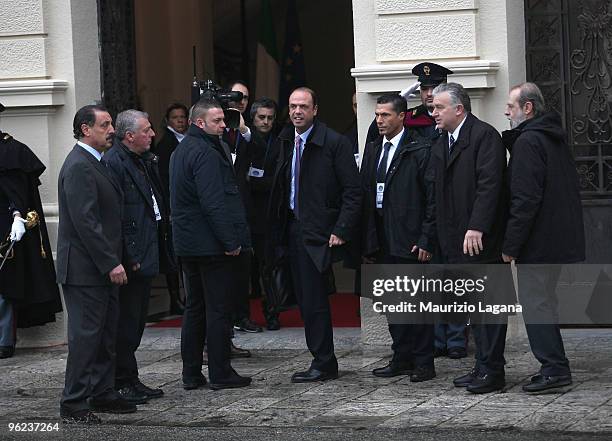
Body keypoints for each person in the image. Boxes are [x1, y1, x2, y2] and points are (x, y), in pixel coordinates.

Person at [267, 87, 361, 382]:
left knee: (314, 300)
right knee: (303, 300)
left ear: (315, 110)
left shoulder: (333, 142)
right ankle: (320, 358)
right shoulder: (285, 140)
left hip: (319, 232)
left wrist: (341, 229)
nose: (297, 111)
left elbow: (353, 191)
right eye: (293, 106)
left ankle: (324, 362)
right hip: (291, 229)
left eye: (303, 106)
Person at [502, 82, 585, 392]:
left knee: (537, 306)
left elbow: (525, 199)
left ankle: (553, 368)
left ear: (528, 108)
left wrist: (511, 246)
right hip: (555, 238)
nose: (506, 111)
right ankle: (555, 365)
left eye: (511, 106)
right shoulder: (552, 137)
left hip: (538, 242)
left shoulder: (529, 142)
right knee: (545, 304)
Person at [430, 83, 509, 394]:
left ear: (459, 108)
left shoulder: (484, 135)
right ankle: (482, 367)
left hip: (481, 241)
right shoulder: (443, 140)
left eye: (438, 108)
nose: (432, 112)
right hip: (455, 240)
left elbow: (491, 186)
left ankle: (493, 371)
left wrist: (477, 226)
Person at [170, 98, 252, 391]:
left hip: (190, 244)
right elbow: (213, 202)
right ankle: (220, 372)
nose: (223, 125)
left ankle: (192, 373)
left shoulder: (182, 150)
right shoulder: (204, 151)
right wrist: (230, 241)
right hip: (210, 246)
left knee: (195, 308)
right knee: (217, 310)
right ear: (200, 122)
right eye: (217, 120)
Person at [57, 105, 133, 424]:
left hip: (100, 269)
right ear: (86, 129)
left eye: (112, 123)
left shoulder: (97, 162)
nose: (112, 129)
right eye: (105, 124)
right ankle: (74, 403)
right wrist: (110, 263)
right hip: (86, 270)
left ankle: (102, 392)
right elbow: (85, 222)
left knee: (104, 335)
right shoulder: (79, 165)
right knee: (86, 337)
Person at [361, 94, 436, 382]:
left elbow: (431, 200)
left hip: (410, 239)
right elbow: (366, 194)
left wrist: (426, 237)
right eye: (377, 115)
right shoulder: (373, 148)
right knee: (393, 305)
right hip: (382, 239)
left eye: (386, 115)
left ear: (402, 116)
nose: (379, 120)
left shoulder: (418, 149)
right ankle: (401, 356)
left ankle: (423, 361)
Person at [105, 110, 174, 403]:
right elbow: (118, 217)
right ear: (129, 135)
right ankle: (122, 380)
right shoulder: (115, 162)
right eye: (146, 130)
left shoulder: (142, 160)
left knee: (136, 321)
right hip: (133, 255)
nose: (152, 134)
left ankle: (130, 377)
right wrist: (130, 255)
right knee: (127, 322)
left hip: (147, 248)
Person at [0, 101, 62, 360]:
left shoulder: (11, 150)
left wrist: (18, 217)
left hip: (4, 226)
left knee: (4, 288)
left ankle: (3, 339)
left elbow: (17, 193)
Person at [224, 80, 263, 334]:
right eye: (236, 97)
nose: (240, 102)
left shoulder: (248, 132)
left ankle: (243, 314)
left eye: (245, 98)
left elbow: (259, 153)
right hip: (220, 207)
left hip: (244, 207)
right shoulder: (213, 126)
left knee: (244, 266)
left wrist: (245, 129)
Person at [153, 102, 189, 316]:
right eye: (176, 117)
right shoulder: (165, 146)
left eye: (183, 116)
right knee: (174, 256)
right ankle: (176, 297)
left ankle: (185, 296)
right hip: (172, 208)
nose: (180, 121)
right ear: (168, 121)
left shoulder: (189, 140)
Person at [248, 97, 281, 330]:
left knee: (268, 267)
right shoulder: (244, 139)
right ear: (253, 118)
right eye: (261, 117)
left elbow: (281, 180)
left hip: (269, 213)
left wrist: (259, 182)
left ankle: (272, 312)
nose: (266, 121)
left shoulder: (281, 141)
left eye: (270, 118)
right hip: (246, 212)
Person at [365, 62, 453, 144]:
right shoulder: (410, 117)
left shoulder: (454, 116)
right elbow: (375, 136)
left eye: (434, 88)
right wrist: (396, 102)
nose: (429, 94)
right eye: (424, 89)